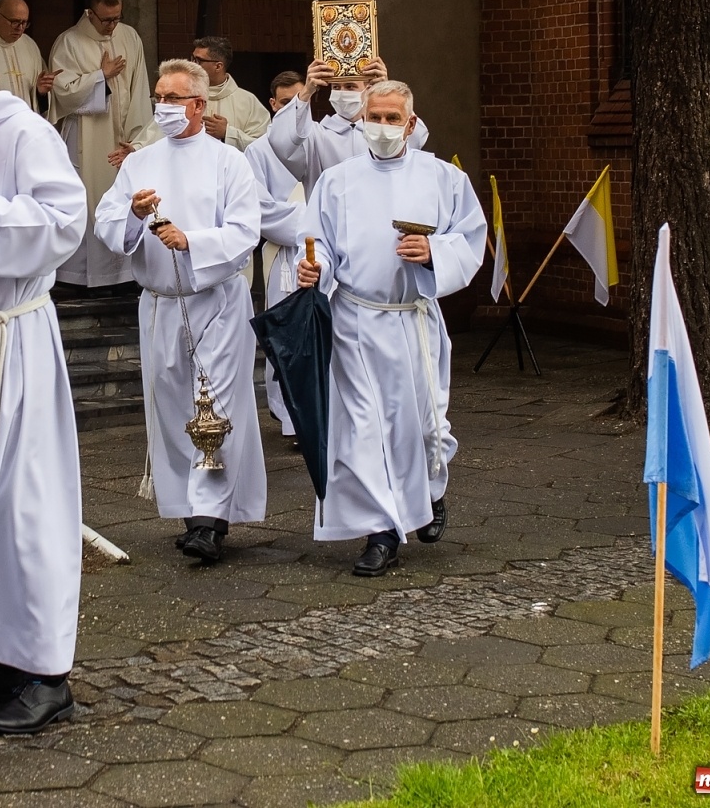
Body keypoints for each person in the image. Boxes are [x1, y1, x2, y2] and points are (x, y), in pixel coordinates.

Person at [296, 80, 485, 576]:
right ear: (361, 121)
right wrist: (313, 268)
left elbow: (469, 238)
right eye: (373, 117)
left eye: (391, 118)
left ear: (410, 122)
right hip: (355, 321)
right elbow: (317, 241)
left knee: (421, 426)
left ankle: (428, 492)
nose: (381, 127)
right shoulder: (336, 181)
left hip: (414, 319)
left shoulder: (443, 178)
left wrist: (433, 253)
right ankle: (381, 531)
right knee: (363, 430)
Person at [0, 81, 88, 735]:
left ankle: (46, 672)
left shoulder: (24, 131)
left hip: (13, 335)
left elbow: (64, 222)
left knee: (25, 504)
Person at [95, 60, 265, 564]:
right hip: (160, 305)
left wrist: (192, 240)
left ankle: (210, 519)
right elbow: (107, 220)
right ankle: (191, 510)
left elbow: (244, 229)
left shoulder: (229, 161)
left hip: (215, 300)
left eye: (173, 98)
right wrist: (133, 213)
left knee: (212, 406)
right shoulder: (139, 163)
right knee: (171, 407)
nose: (163, 107)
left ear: (199, 104)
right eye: (158, 97)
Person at [48, 0, 156, 288]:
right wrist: (101, 77)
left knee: (121, 196)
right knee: (86, 199)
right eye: (106, 20)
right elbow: (62, 92)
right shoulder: (69, 42)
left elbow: (139, 88)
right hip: (85, 137)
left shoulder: (129, 36)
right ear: (90, 14)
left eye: (116, 18)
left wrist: (139, 138)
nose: (112, 26)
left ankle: (121, 274)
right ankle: (80, 277)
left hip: (121, 136)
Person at [248, 71, 310, 438]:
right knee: (286, 337)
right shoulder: (257, 151)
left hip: (327, 254)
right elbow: (259, 209)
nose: (291, 110)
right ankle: (290, 420)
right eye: (285, 104)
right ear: (273, 105)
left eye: (298, 102)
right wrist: (314, 220)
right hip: (284, 254)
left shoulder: (320, 140)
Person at [266, 56, 430, 193]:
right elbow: (281, 142)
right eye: (336, 86)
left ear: (367, 89)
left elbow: (415, 137)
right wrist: (306, 92)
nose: (342, 92)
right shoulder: (314, 135)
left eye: (350, 86)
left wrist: (386, 91)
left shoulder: (381, 130)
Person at [190, 36, 271, 152]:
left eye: (198, 60)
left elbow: (263, 146)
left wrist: (228, 133)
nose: (192, 65)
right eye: (192, 58)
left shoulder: (247, 101)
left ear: (218, 66)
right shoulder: (182, 97)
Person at [0, 0, 55, 114]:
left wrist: (40, 92)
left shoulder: (29, 45)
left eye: (24, 23)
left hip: (22, 124)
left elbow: (37, 100)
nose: (20, 28)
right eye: (14, 22)